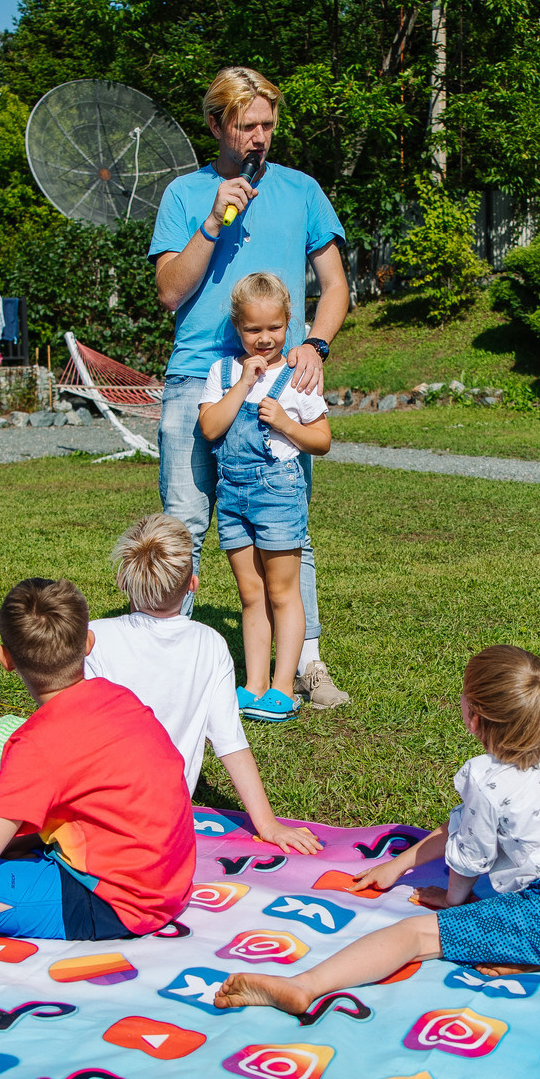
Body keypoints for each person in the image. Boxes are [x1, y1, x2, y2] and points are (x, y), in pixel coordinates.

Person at [215, 646, 540, 1015]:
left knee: (415, 935)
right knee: (523, 920)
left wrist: (455, 900)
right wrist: (399, 865)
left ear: (474, 718)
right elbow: (462, 823)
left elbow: (469, 854)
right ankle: (532, 956)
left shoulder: (486, 776)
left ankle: (305, 986)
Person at [150, 65, 352, 711]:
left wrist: (314, 345)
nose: (261, 136)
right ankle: (166, 659)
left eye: (268, 123)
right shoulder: (185, 195)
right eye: (246, 125)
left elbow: (336, 287)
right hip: (196, 380)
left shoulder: (303, 191)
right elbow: (169, 291)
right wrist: (213, 221)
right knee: (183, 523)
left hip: (277, 381)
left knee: (290, 525)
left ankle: (307, 665)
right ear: (216, 126)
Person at [0, 578, 197, 939]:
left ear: (5, 659)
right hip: (171, 878)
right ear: (88, 643)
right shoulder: (121, 699)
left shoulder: (36, 746)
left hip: (116, 903)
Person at [88, 514, 323, 852]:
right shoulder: (209, 644)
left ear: (122, 580)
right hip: (165, 815)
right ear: (192, 585)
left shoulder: (94, 636)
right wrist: (268, 824)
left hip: (96, 808)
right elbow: (231, 743)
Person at [197, 274, 333, 722]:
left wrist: (286, 424)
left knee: (282, 591)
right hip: (233, 494)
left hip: (278, 492)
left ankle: (282, 688)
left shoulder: (299, 376)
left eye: (274, 328)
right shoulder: (221, 373)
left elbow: (323, 439)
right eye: (253, 329)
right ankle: (254, 685)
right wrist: (242, 385)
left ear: (288, 323)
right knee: (251, 593)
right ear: (238, 327)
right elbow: (211, 428)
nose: (264, 339)